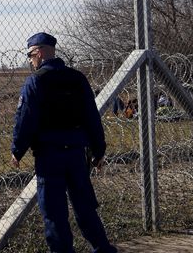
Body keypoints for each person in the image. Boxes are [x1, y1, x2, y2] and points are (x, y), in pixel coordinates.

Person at [11, 32, 117, 253]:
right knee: (85, 207)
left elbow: (25, 119)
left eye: (30, 55)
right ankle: (103, 249)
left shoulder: (36, 80)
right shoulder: (77, 78)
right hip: (77, 153)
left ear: (39, 52)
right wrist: (99, 150)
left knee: (54, 212)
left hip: (50, 155)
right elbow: (91, 117)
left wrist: (17, 150)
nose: (30, 60)